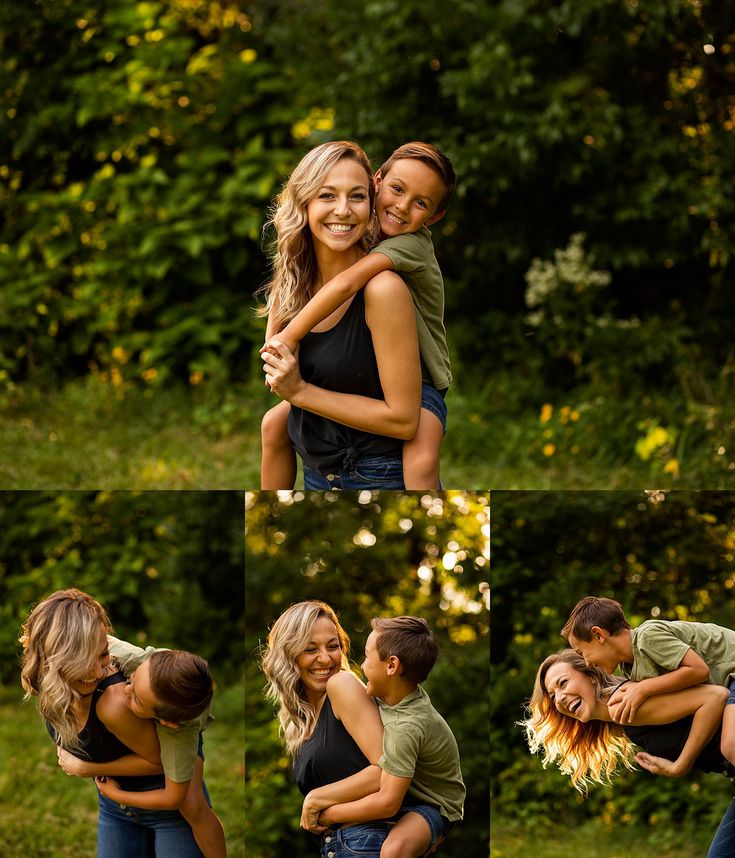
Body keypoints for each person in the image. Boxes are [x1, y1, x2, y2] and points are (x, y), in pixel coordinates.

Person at [260, 142, 456, 490]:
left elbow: (345, 284)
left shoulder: (400, 254)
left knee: (421, 462)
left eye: (355, 196)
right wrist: (277, 352)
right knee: (273, 424)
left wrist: (289, 349)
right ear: (379, 184)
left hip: (426, 381)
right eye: (326, 195)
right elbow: (274, 369)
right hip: (321, 467)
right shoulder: (296, 275)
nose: (343, 210)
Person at [20, 588, 204, 857]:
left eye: (104, 654)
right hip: (114, 810)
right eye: (85, 660)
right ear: (55, 660)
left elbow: (163, 763)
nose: (98, 671)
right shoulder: (41, 682)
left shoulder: (114, 701)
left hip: (168, 812)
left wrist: (88, 767)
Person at [523, 649, 735, 858]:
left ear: (592, 676)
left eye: (563, 683)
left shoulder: (624, 703)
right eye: (552, 696)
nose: (559, 698)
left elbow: (715, 696)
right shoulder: (619, 713)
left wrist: (681, 764)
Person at [313, 616, 465, 858]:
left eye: (367, 657)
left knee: (393, 851)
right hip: (410, 795)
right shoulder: (397, 696)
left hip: (435, 806)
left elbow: (387, 803)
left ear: (392, 666)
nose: (361, 667)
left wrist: (329, 814)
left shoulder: (407, 726)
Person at [261, 600, 389, 857]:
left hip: (368, 842)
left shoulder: (342, 685)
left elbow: (388, 768)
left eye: (333, 646)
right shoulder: (305, 717)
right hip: (342, 846)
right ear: (289, 655)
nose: (325, 658)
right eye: (310, 649)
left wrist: (316, 798)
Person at [90, 637, 226, 858]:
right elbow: (95, 636)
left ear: (165, 722)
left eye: (136, 700)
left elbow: (172, 798)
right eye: (130, 682)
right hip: (169, 674)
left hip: (184, 713)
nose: (126, 692)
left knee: (193, 805)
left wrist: (117, 794)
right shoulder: (139, 661)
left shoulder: (178, 732)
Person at [561, 596, 735, 758]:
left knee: (731, 745)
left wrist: (643, 689)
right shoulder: (630, 668)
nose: (587, 663)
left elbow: (698, 670)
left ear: (598, 635)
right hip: (727, 686)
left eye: (582, 652)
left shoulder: (647, 637)